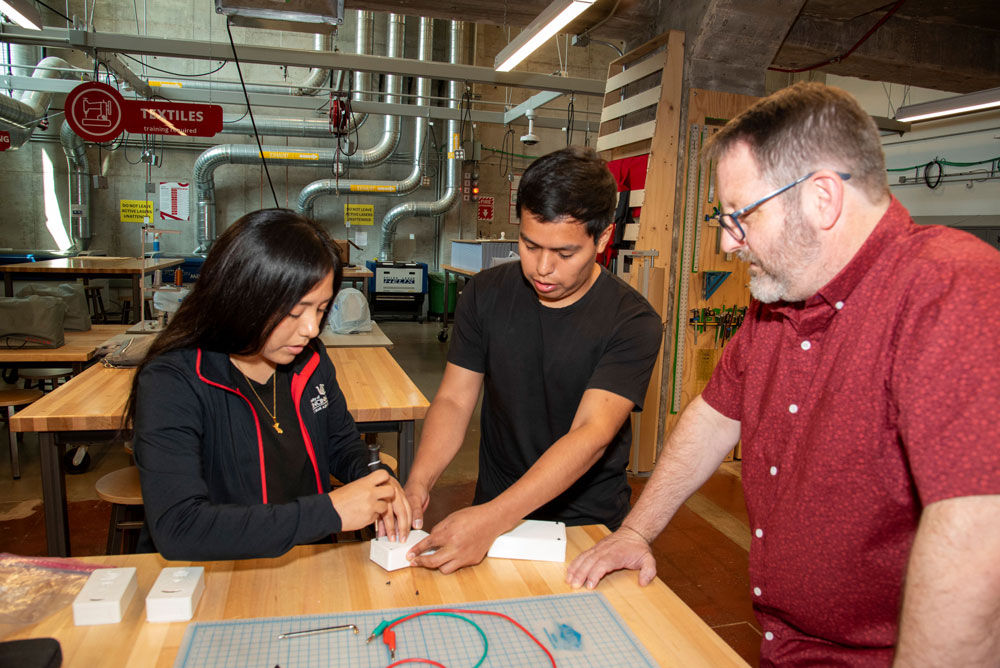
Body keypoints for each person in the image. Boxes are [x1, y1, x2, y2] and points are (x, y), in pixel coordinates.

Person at [567, 82, 1000, 666]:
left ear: (823, 197)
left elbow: (976, 540)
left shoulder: (950, 290)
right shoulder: (780, 296)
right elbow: (715, 415)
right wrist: (636, 531)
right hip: (784, 645)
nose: (726, 240)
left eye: (741, 215)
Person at [403, 146, 663, 573]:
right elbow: (453, 401)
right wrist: (419, 482)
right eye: (529, 245)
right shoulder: (485, 295)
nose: (542, 268)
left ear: (602, 238)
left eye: (564, 254)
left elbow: (590, 433)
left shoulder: (633, 322)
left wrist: (491, 519)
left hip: (585, 528)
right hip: (495, 513)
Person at [127, 209, 410, 560]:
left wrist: (378, 477)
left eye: (321, 309)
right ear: (242, 296)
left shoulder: (309, 359)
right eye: (296, 311)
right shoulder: (175, 380)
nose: (310, 328)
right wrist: (330, 512)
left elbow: (341, 443)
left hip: (303, 567)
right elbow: (180, 528)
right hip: (211, 578)